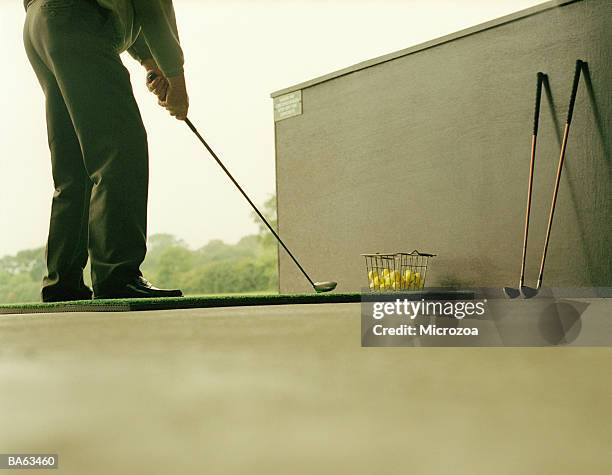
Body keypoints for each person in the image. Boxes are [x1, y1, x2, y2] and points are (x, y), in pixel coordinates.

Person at [23, 0, 189, 301]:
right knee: (120, 151)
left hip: (41, 23)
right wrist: (176, 80)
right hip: (77, 18)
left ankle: (63, 282)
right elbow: (152, 6)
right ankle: (117, 274)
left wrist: (151, 64)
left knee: (74, 166)